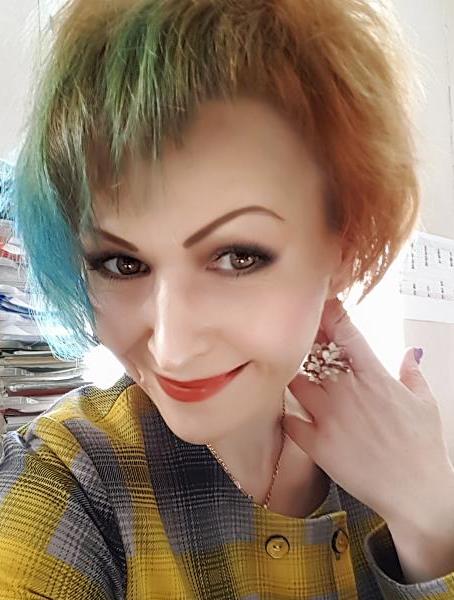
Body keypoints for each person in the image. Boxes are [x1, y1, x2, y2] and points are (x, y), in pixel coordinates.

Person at [1, 0, 454, 598]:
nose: (174, 348)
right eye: (122, 263)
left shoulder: (389, 455)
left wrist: (431, 521)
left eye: (239, 256)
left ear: (343, 247)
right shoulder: (70, 479)